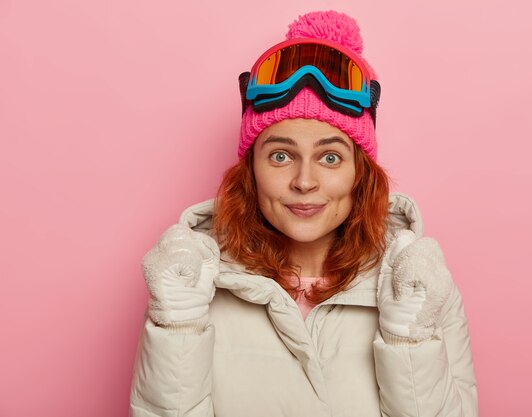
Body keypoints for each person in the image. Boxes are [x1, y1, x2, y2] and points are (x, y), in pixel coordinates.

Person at [130, 10, 478, 417]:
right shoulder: (190, 281)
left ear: (359, 174)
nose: (304, 181)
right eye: (281, 155)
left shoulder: (418, 282)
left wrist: (410, 341)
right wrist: (178, 327)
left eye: (330, 157)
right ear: (251, 171)